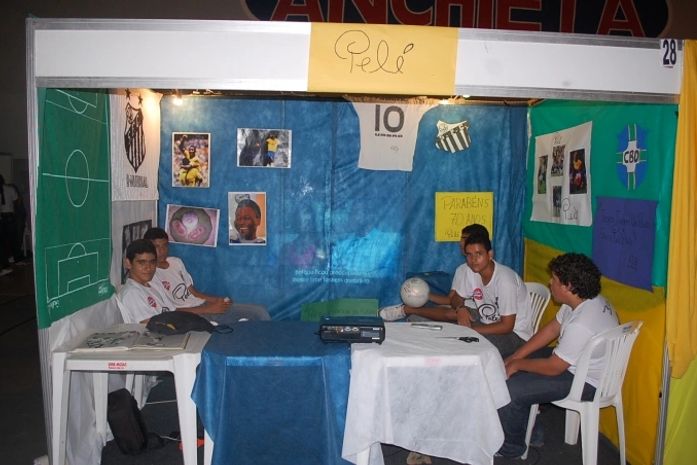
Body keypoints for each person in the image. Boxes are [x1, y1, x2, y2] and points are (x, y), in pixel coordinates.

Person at [496, 253, 619, 458]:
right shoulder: (584, 300)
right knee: (506, 359)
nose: (549, 282)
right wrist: (516, 356)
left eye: (554, 279)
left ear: (568, 286)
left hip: (585, 381)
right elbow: (552, 329)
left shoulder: (582, 323)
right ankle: (531, 431)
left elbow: (554, 367)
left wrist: (517, 365)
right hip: (575, 363)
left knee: (511, 388)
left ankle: (511, 448)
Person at [381, 229, 532, 358]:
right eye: (469, 255)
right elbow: (455, 298)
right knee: (444, 334)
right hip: (486, 324)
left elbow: (507, 326)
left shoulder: (505, 280)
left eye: (478, 254)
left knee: (462, 344)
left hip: (515, 336)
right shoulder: (470, 271)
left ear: (490, 254)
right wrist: (460, 309)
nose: (473, 260)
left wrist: (470, 330)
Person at [143, 227, 270, 323]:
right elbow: (169, 311)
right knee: (224, 329)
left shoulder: (176, 262)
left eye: (165, 246)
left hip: (203, 306)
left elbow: (194, 293)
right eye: (156, 247)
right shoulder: (149, 275)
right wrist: (209, 309)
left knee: (260, 312)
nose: (161, 251)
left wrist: (217, 301)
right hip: (190, 315)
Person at [379, 223, 489, 319]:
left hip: (479, 311)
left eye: (465, 238)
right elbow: (450, 300)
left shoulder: (489, 268)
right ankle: (405, 309)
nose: (460, 242)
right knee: (434, 309)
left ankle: (407, 310)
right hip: (460, 308)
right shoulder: (461, 269)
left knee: (450, 314)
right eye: (461, 238)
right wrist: (424, 295)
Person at [118, 239, 176, 323]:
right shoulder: (132, 293)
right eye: (142, 263)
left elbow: (173, 312)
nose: (148, 268)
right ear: (128, 263)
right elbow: (150, 326)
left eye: (152, 262)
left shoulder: (154, 285)